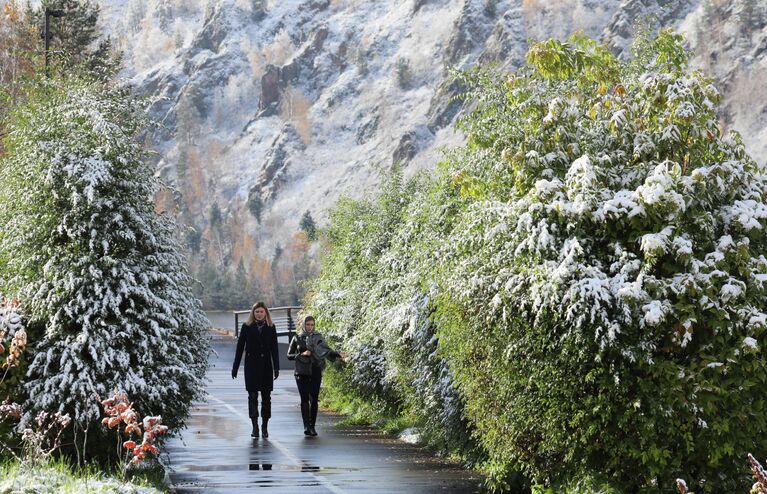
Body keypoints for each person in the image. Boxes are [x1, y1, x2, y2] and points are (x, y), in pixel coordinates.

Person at [287, 315, 347, 436]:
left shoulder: (319, 337)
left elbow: (327, 351)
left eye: (312, 325)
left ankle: (313, 427)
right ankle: (306, 426)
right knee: (304, 399)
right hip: (302, 371)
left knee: (314, 399)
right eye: (308, 324)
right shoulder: (297, 338)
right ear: (303, 325)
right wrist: (301, 354)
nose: (310, 327)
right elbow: (289, 356)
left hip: (315, 370)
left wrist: (338, 354)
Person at [232, 302, 279, 438]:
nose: (259, 314)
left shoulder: (271, 327)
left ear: (266, 313)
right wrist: (235, 367)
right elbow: (240, 348)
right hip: (251, 366)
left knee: (266, 397)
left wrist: (276, 367)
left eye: (261, 312)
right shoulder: (246, 327)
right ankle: (255, 426)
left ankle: (264, 426)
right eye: (257, 311)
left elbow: (274, 349)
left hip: (266, 366)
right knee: (252, 396)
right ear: (253, 313)